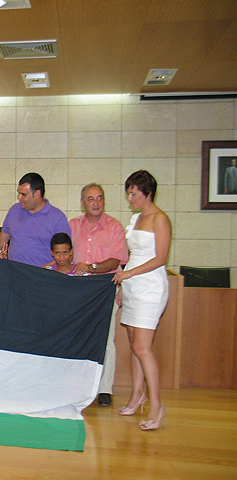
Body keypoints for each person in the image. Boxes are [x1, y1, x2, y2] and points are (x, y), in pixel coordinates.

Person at [113, 170, 171, 431]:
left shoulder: (160, 219)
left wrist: (129, 274)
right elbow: (132, 254)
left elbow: (160, 259)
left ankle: (157, 406)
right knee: (134, 344)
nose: (130, 197)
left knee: (143, 348)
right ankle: (138, 395)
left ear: (148, 192)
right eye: (128, 192)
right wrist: (124, 285)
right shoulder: (136, 218)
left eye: (134, 192)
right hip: (133, 287)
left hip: (150, 288)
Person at [69, 183, 129, 407]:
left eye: (99, 198)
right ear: (82, 202)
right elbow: (64, 254)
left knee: (106, 339)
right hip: (78, 288)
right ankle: (77, 386)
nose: (95, 203)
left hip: (104, 285)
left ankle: (105, 389)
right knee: (76, 336)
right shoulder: (72, 225)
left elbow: (116, 261)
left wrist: (92, 267)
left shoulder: (114, 227)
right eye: (90, 199)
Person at [0, 172, 70, 267]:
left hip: (42, 276)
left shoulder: (57, 218)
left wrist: (43, 271)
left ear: (37, 194)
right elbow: (1, 240)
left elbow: (66, 255)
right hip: (13, 273)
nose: (19, 198)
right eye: (19, 193)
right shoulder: (14, 210)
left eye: (23, 194)